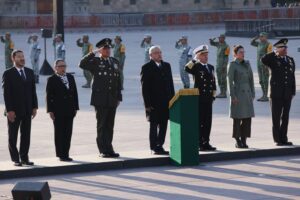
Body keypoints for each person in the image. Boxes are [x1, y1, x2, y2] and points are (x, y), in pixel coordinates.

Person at [79, 38, 122, 158]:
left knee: (110, 125)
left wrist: (119, 97)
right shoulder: (96, 61)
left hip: (112, 99)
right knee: (102, 125)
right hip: (100, 98)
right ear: (100, 50)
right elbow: (81, 64)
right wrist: (92, 53)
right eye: (105, 48)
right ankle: (103, 150)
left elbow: (117, 80)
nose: (108, 50)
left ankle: (110, 148)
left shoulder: (114, 61)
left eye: (109, 48)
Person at [2, 50, 38, 166]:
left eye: (23, 56)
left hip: (27, 109)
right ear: (13, 58)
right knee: (13, 135)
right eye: (19, 57)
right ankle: (15, 159)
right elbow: (6, 94)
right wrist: (9, 110)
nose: (22, 59)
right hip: (14, 111)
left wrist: (34, 107)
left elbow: (33, 91)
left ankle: (24, 158)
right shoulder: (8, 73)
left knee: (26, 135)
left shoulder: (30, 72)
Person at [141, 46, 175, 155]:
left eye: (160, 52)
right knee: (154, 125)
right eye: (156, 53)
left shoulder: (167, 66)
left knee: (164, 125)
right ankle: (154, 147)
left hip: (166, 102)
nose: (159, 54)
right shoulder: (146, 67)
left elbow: (170, 84)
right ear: (150, 55)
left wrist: (173, 100)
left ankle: (160, 145)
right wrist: (147, 104)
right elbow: (144, 88)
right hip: (153, 103)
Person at [261, 38, 296, 146]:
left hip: (287, 93)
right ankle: (277, 139)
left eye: (286, 47)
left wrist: (293, 91)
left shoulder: (290, 60)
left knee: (285, 117)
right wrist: (274, 52)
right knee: (276, 117)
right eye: (282, 47)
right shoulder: (272, 59)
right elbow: (263, 59)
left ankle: (284, 138)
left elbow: (292, 76)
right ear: (278, 49)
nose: (285, 49)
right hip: (276, 93)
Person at [185, 45, 217, 151]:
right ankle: (199, 143)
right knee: (200, 121)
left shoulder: (211, 67)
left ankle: (206, 142)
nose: (206, 57)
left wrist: (213, 95)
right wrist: (194, 59)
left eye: (207, 55)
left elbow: (213, 82)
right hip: (199, 98)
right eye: (203, 55)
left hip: (208, 99)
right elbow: (186, 68)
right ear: (199, 56)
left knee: (208, 122)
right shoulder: (196, 67)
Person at [46, 59, 79, 161]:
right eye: (60, 66)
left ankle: (66, 153)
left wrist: (75, 107)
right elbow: (48, 96)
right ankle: (60, 154)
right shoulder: (51, 79)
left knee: (68, 132)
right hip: (58, 111)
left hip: (69, 110)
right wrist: (50, 110)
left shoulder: (70, 77)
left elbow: (75, 94)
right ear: (55, 68)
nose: (63, 68)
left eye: (64, 66)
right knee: (59, 132)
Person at [227, 45, 255, 148]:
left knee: (247, 118)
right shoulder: (232, 65)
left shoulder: (247, 64)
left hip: (247, 94)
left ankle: (244, 139)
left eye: (243, 52)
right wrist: (233, 96)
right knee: (237, 118)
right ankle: (237, 140)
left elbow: (251, 79)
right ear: (235, 54)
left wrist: (252, 93)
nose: (243, 54)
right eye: (240, 52)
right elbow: (229, 82)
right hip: (238, 93)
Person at [250, 32, 273, 102]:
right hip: (259, 64)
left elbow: (269, 55)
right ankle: (263, 94)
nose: (261, 37)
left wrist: (268, 65)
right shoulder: (259, 44)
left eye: (262, 36)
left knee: (265, 80)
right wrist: (255, 38)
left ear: (266, 37)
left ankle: (266, 95)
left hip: (264, 65)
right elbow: (252, 43)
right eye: (260, 36)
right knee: (261, 80)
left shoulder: (268, 44)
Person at [209, 34, 230, 98]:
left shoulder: (227, 46)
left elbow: (226, 57)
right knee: (218, 78)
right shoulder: (218, 44)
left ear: (223, 38)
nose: (219, 39)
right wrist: (211, 41)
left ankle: (224, 93)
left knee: (223, 78)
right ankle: (221, 91)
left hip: (223, 64)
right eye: (219, 38)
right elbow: (212, 44)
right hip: (218, 64)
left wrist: (224, 65)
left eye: (220, 38)